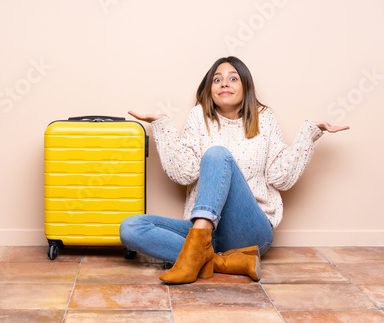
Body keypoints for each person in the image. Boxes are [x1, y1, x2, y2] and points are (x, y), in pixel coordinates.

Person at [119, 56, 349, 284]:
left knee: (217, 154)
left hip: (250, 231)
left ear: (245, 86)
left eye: (233, 78)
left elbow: (281, 178)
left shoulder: (264, 118)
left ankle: (199, 254)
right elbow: (183, 173)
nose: (224, 83)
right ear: (209, 89)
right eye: (217, 79)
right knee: (130, 228)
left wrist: (309, 134)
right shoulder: (198, 117)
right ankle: (224, 261)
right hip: (208, 234)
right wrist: (162, 125)